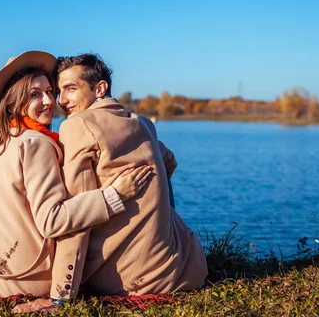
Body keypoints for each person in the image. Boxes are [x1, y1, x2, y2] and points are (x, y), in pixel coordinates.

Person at [0, 50, 152, 298]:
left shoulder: (1, 140)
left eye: (49, 92)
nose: (50, 102)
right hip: (24, 278)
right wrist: (114, 195)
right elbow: (51, 221)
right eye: (35, 94)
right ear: (13, 102)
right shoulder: (36, 144)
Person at [17, 53, 207, 312]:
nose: (61, 100)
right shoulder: (142, 124)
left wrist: (60, 297)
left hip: (130, 280)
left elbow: (76, 219)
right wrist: (162, 216)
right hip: (183, 267)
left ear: (100, 88)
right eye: (59, 90)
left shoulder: (77, 126)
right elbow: (169, 162)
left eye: (71, 89)